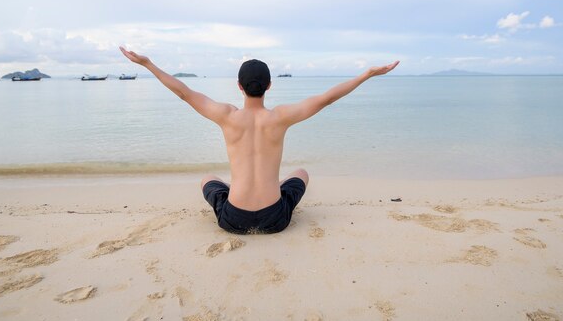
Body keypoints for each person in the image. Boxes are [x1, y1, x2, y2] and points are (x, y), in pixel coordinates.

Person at [120, 46, 399, 234]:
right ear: (269, 86)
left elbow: (184, 92)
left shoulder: (226, 115)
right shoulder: (280, 117)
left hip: (233, 219)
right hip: (275, 219)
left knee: (207, 179)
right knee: (300, 173)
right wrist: (367, 74)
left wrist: (148, 64)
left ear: (239, 86)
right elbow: (327, 98)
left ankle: (243, 191)